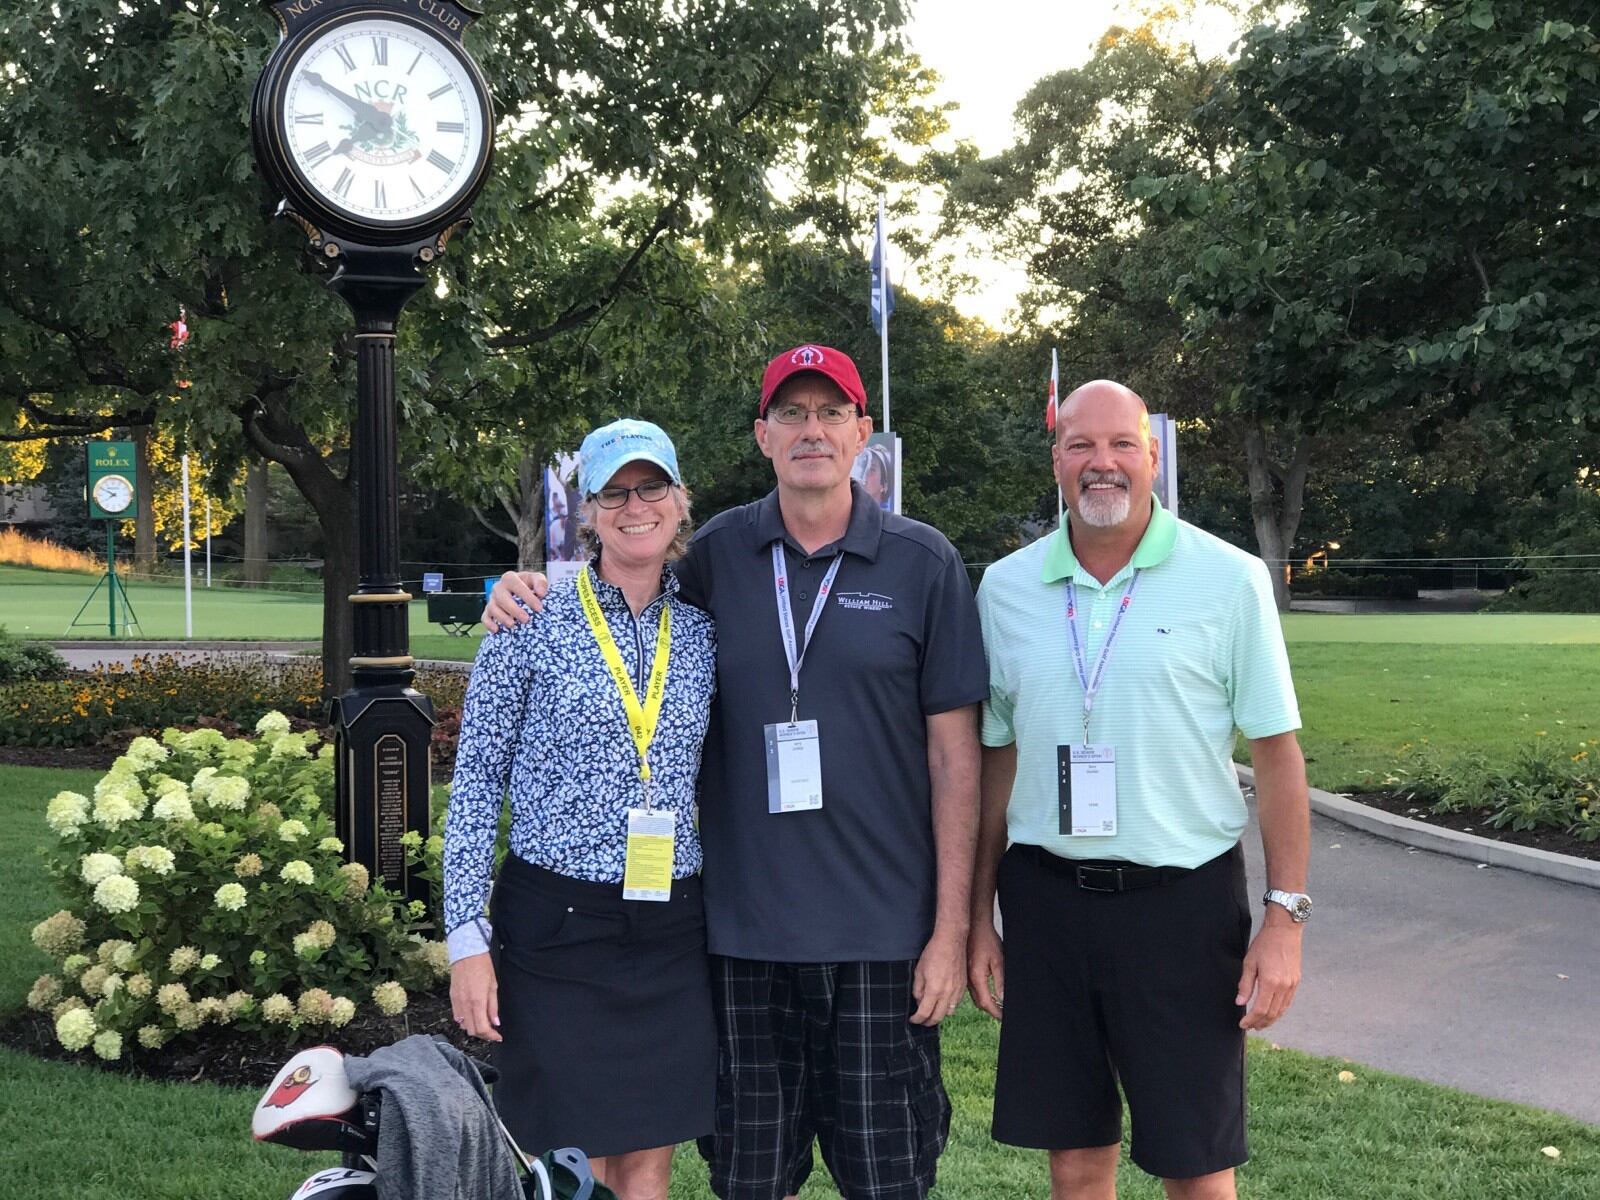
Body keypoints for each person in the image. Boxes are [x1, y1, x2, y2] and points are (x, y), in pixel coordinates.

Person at [483, 344, 987, 1200]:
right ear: (762, 435)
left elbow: (956, 758)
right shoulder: (717, 555)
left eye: (831, 412)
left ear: (864, 432)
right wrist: (521, 588)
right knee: (751, 1181)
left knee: (888, 1179)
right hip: (739, 940)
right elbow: (621, 591)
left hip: (881, 941)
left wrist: (949, 933)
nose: (812, 430)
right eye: (791, 413)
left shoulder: (924, 562)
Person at [968, 379, 1311, 1200]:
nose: (1102, 463)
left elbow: (1277, 755)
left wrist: (1286, 918)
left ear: (1153, 459)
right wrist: (979, 917)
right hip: (1047, 904)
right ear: (1056, 461)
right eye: (1081, 445)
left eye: (1122, 444)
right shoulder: (1005, 589)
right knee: (1076, 1159)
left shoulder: (1227, 580)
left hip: (1182, 907)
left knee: (1194, 1164)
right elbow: (995, 762)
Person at [445, 418, 718, 1200]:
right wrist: (466, 939)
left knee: (648, 1164)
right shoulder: (526, 619)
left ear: (679, 500)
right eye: (615, 493)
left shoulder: (702, 631)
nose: (636, 506)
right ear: (590, 511)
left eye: (652, 487)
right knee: (569, 1170)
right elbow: (473, 790)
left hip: (670, 923)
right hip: (556, 927)